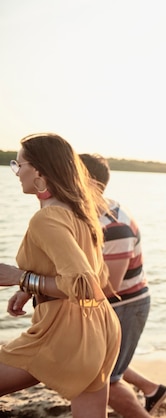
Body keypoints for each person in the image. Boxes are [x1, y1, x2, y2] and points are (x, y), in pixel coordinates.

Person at [0, 133, 121, 418]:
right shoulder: (81, 213)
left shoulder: (47, 218)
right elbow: (97, 278)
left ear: (39, 170)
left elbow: (86, 286)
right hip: (99, 327)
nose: (17, 173)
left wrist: (20, 278)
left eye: (19, 165)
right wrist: (31, 290)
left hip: (63, 332)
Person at [79, 153, 166, 417]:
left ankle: (149, 394)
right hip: (113, 303)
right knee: (99, 368)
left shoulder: (114, 225)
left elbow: (109, 287)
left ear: (92, 184)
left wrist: (49, 290)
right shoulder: (92, 214)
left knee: (105, 380)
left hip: (125, 305)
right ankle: (151, 388)